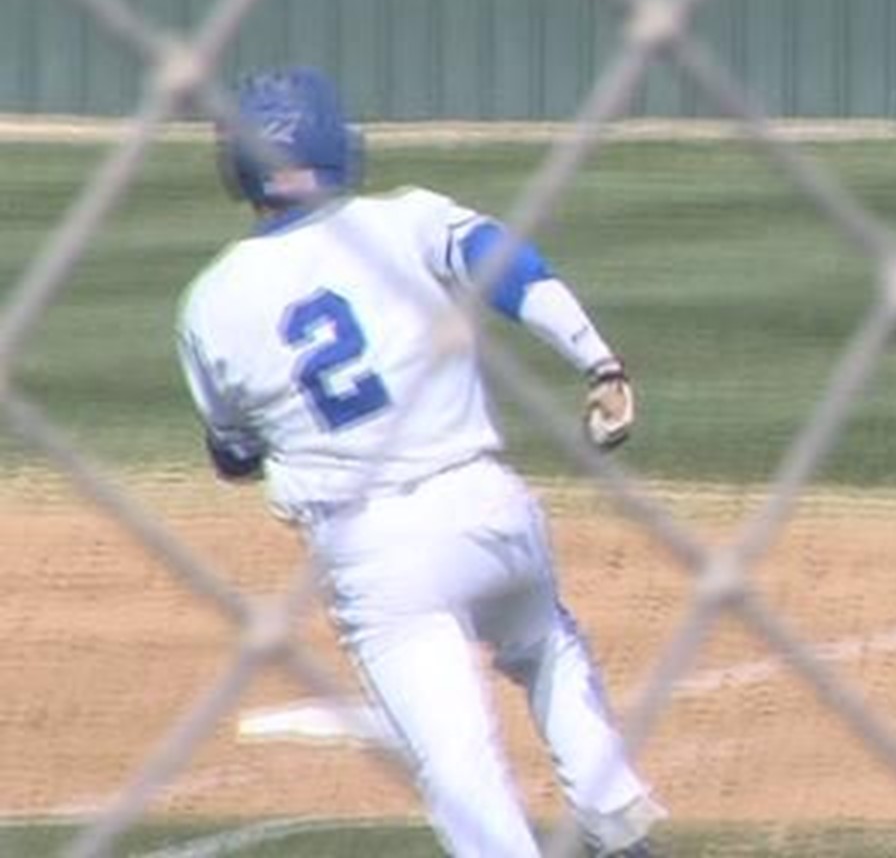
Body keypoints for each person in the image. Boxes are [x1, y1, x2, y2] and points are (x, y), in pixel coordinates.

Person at [174, 67, 668, 857]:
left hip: (375, 554)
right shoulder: (405, 219)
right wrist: (599, 364)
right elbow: (509, 267)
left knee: (458, 764)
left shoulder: (210, 302)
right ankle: (617, 819)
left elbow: (232, 454)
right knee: (544, 642)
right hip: (488, 508)